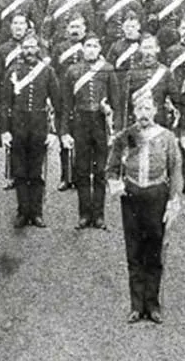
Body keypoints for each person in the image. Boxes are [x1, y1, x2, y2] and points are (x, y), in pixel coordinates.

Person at [108, 94, 183, 323]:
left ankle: (152, 304)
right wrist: (116, 184)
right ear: (133, 112)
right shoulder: (126, 136)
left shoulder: (167, 137)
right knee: (134, 250)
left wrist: (173, 200)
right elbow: (111, 167)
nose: (143, 113)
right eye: (139, 108)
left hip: (156, 196)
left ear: (155, 111)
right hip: (131, 197)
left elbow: (176, 169)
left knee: (154, 250)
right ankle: (136, 305)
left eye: (147, 108)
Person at [0, 34, 62, 228]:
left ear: (39, 49)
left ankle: (37, 212)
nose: (29, 51)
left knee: (36, 170)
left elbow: (57, 103)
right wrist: (5, 130)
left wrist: (53, 132)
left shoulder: (48, 72)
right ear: (21, 50)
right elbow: (4, 103)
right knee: (20, 171)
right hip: (18, 125)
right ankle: (22, 211)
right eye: (25, 48)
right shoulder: (12, 71)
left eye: (33, 47)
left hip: (39, 125)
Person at [62, 35, 115, 230]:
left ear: (100, 48)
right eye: (88, 46)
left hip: (100, 123)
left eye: (94, 46)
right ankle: (84, 215)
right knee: (82, 171)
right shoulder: (72, 71)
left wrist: (110, 117)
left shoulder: (108, 70)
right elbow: (66, 104)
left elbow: (116, 101)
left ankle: (99, 215)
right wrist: (64, 132)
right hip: (81, 123)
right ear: (82, 49)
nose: (91, 50)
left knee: (101, 171)